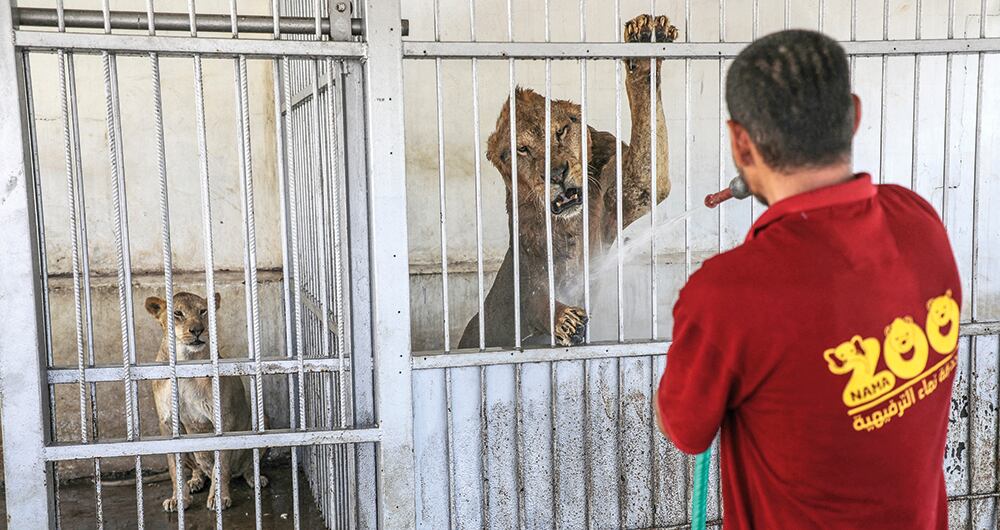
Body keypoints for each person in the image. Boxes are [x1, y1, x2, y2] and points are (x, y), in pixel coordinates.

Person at [655, 29, 960, 529]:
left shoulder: (726, 294)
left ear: (740, 142)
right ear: (854, 116)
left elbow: (683, 430)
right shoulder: (919, 221)